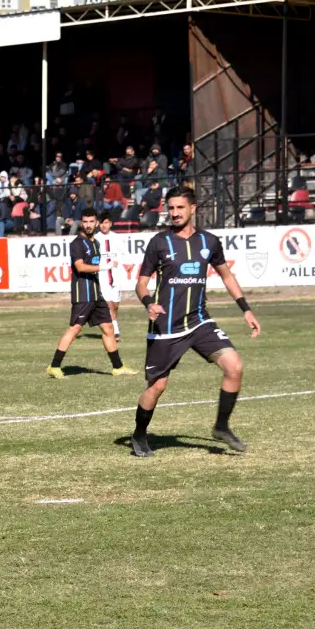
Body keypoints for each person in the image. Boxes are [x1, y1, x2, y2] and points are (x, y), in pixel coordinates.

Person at [131, 187, 261, 457]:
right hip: (166, 327)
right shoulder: (158, 242)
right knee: (157, 387)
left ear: (193, 209)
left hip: (199, 322)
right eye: (171, 208)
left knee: (234, 366)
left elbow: (227, 276)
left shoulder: (210, 242)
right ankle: (139, 435)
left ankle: (221, 427)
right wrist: (148, 303)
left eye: (180, 207)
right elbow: (141, 284)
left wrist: (245, 310)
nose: (175, 213)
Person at [47, 210, 136, 380]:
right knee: (75, 329)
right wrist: (105, 267)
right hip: (83, 294)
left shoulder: (96, 243)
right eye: (85, 221)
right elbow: (80, 267)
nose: (88, 225)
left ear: (96, 223)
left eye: (91, 221)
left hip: (96, 293)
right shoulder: (77, 244)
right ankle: (54, 366)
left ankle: (118, 367)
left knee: (108, 328)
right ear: (81, 223)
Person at [95, 213, 122, 339]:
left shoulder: (117, 238)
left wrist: (122, 263)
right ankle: (115, 331)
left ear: (110, 223)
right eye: (102, 223)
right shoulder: (95, 239)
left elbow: (123, 253)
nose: (104, 225)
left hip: (116, 275)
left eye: (106, 223)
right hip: (103, 275)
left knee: (115, 305)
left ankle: (113, 324)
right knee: (109, 304)